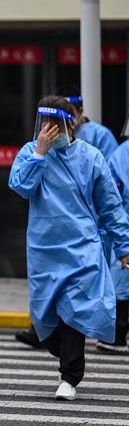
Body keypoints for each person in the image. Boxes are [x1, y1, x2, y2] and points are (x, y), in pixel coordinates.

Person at [9, 95, 129, 400]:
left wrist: (124, 247)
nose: (48, 130)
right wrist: (39, 154)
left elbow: (110, 206)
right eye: (43, 123)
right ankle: (63, 357)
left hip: (82, 248)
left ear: (69, 124)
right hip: (44, 250)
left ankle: (69, 377)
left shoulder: (91, 156)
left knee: (73, 311)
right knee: (46, 317)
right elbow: (20, 187)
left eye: (54, 124)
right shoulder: (30, 152)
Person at [101, 114, 129, 354]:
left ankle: (118, 333)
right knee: (122, 280)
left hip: (124, 224)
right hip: (125, 225)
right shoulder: (121, 155)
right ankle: (117, 332)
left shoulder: (120, 154)